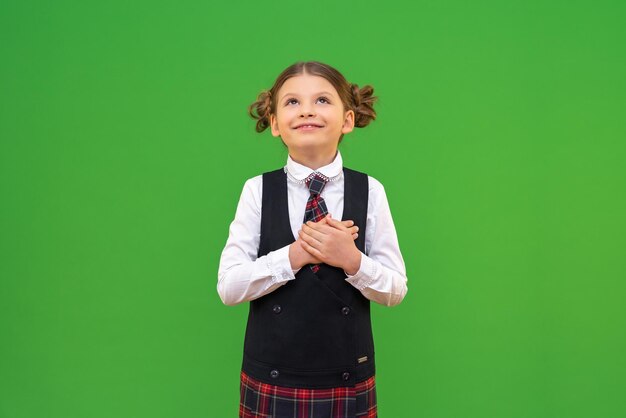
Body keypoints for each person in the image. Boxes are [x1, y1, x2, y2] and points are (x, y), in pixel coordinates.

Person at [217, 61, 408, 418]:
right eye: (292, 102)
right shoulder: (257, 190)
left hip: (347, 378)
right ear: (275, 123)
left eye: (322, 100)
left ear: (347, 120)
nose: (306, 109)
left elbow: (395, 290)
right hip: (270, 378)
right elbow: (229, 288)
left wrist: (350, 259)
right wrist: (296, 253)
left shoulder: (371, 191)